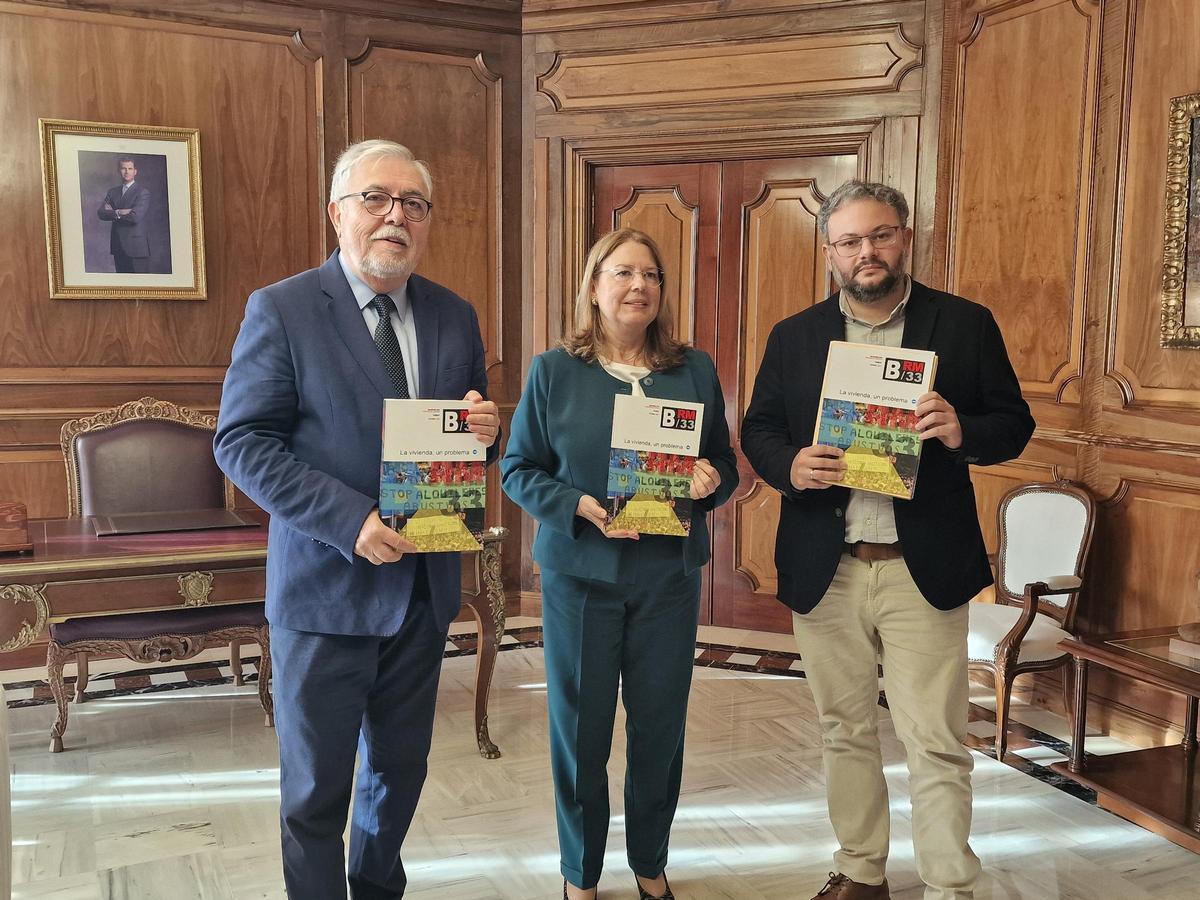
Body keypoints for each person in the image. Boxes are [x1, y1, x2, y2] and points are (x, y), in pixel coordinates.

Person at [214, 139, 499, 900]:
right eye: (376, 197)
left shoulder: (454, 315)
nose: (395, 215)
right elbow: (241, 443)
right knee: (316, 792)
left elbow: (471, 440)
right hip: (324, 593)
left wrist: (487, 431)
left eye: (414, 203)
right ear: (336, 212)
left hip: (422, 590)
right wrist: (349, 521)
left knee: (399, 775)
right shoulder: (282, 308)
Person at [741, 180, 1035, 900]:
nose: (865, 252)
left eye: (879, 236)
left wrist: (963, 430)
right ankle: (860, 870)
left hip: (921, 568)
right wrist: (789, 466)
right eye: (849, 241)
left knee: (935, 738)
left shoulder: (964, 324)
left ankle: (950, 886)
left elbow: (1014, 424)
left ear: (905, 237)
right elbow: (759, 428)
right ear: (830, 252)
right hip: (827, 567)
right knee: (843, 729)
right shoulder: (795, 335)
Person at [501, 228, 739, 900]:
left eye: (651, 275)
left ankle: (650, 864)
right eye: (623, 272)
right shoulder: (554, 371)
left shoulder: (694, 369)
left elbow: (724, 463)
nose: (639, 286)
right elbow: (517, 469)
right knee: (581, 732)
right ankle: (580, 875)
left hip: (669, 577)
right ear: (594, 285)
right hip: (582, 576)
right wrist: (575, 504)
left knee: (659, 728)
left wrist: (708, 480)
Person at [96, 157, 151, 273]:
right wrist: (119, 212)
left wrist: (113, 212)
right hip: (118, 246)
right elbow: (101, 213)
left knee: (139, 283)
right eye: (123, 168)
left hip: (136, 248)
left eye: (130, 168)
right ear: (119, 171)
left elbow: (135, 217)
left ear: (135, 171)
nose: (126, 171)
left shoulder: (142, 192)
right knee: (122, 282)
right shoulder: (112, 192)